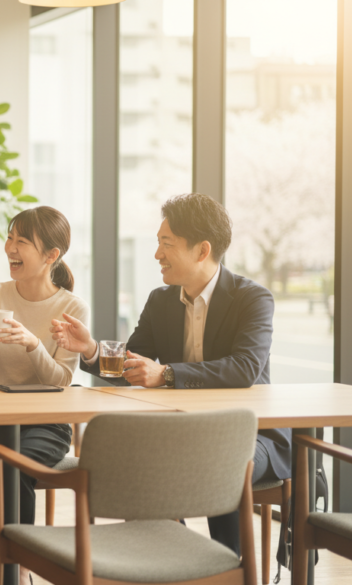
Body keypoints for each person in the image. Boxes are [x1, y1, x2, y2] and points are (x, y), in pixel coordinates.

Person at [51, 192, 287, 556]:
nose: (157, 254)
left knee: (211, 456)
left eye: (166, 244)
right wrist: (91, 349)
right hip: (181, 432)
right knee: (144, 461)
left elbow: (245, 368)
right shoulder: (160, 300)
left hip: (251, 434)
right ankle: (174, 561)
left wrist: (167, 374)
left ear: (202, 250)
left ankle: (229, 567)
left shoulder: (252, 299)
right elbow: (134, 366)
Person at [0, 206, 89, 585]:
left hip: (46, 421)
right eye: (10, 237)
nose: (10, 248)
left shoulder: (70, 307)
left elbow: (62, 380)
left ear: (52, 255)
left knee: (14, 463)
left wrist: (34, 344)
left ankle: (15, 569)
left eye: (21, 241)